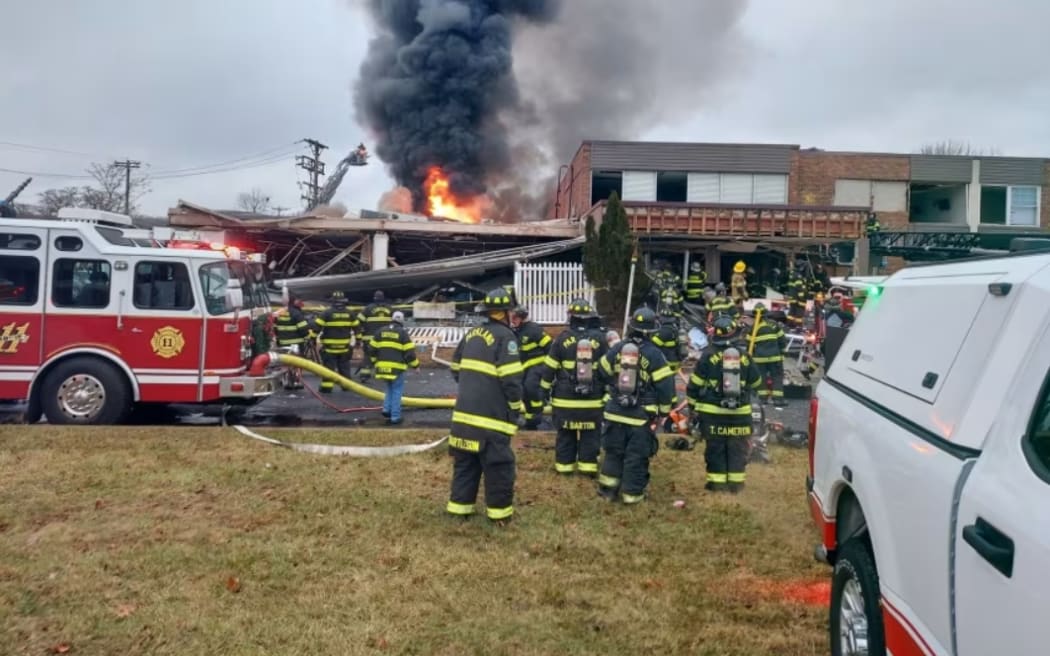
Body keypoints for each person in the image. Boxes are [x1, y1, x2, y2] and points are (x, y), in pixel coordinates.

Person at [446, 287, 525, 523]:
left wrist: (474, 385)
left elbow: (456, 369)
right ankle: (499, 517)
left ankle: (459, 511)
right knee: (499, 467)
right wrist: (515, 407)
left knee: (465, 465)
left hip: (463, 418)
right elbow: (511, 379)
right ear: (505, 312)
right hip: (491, 419)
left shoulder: (472, 333)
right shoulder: (506, 338)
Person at [595, 307, 677, 504]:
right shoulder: (655, 355)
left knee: (613, 452)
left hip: (615, 412)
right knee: (636, 456)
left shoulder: (617, 349)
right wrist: (664, 412)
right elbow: (666, 387)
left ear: (631, 327)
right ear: (651, 331)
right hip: (640, 416)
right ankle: (632, 496)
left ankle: (608, 491)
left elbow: (601, 371)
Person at [532, 299, 608, 476]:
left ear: (571, 317)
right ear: (589, 318)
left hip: (565, 401)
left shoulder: (561, 339)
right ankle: (587, 469)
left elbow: (549, 369)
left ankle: (564, 468)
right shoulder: (600, 340)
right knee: (591, 437)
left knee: (566, 436)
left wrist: (543, 392)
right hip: (592, 402)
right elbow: (609, 370)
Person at [688, 315, 763, 493]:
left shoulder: (707, 355)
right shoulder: (744, 356)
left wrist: (693, 408)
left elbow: (695, 385)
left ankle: (717, 484)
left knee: (716, 449)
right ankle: (736, 485)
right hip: (740, 415)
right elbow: (756, 383)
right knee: (737, 449)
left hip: (713, 415)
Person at [368, 310, 420, 425]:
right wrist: (416, 366)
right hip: (397, 369)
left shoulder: (380, 331)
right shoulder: (402, 333)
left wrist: (373, 362)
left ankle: (386, 410)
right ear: (402, 321)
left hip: (382, 368)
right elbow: (409, 353)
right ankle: (395, 417)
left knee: (389, 388)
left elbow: (371, 349)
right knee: (397, 391)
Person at [510, 305, 553, 430]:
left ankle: (538, 413)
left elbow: (550, 347)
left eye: (515, 318)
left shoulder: (534, 330)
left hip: (537, 366)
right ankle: (531, 421)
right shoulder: (516, 331)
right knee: (524, 392)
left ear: (522, 318)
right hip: (524, 368)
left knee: (530, 388)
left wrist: (549, 368)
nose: (512, 320)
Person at [315, 291, 357, 393]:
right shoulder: (350, 313)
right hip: (344, 348)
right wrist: (358, 341)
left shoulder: (326, 313)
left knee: (329, 369)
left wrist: (312, 338)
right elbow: (357, 328)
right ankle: (346, 386)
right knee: (344, 368)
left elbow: (317, 328)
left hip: (330, 349)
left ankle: (327, 387)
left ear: (332, 301)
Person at [746, 303, 787, 408]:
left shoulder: (753, 328)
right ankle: (778, 400)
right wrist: (782, 352)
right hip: (775, 358)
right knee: (777, 377)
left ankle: (762, 399)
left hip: (759, 360)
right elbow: (782, 340)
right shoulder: (774, 324)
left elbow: (749, 345)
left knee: (761, 378)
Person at [272, 296, 311, 389]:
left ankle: (287, 382)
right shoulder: (297, 314)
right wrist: (307, 338)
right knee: (297, 363)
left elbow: (274, 327)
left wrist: (279, 337)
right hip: (296, 343)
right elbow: (303, 329)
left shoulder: (279, 312)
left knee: (286, 363)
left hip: (283, 343)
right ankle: (297, 382)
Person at [358, 290, 393, 380]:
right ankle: (383, 374)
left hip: (369, 338)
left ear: (374, 298)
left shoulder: (368, 308)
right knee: (384, 355)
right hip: (385, 338)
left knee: (368, 356)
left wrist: (361, 333)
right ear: (383, 298)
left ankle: (364, 375)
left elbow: (359, 321)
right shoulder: (390, 309)